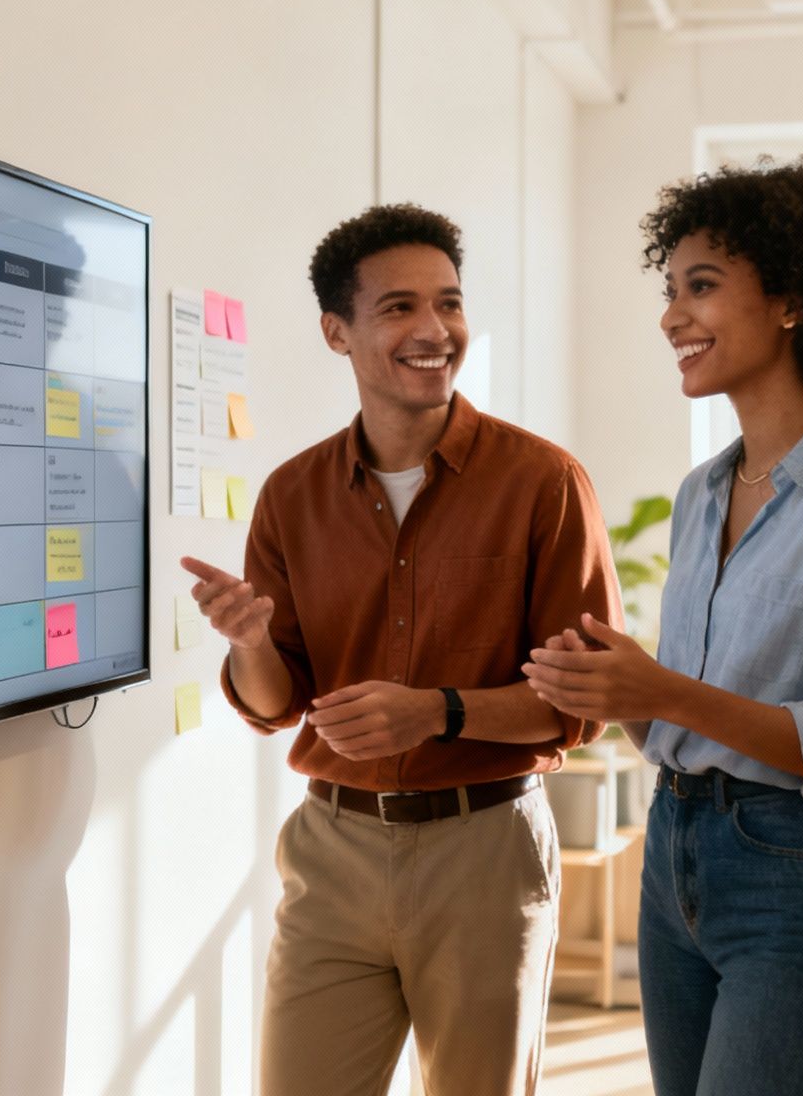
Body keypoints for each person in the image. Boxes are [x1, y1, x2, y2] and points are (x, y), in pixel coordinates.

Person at [182, 203, 620, 1096]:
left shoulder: (544, 483)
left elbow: (585, 700)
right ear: (336, 332)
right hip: (331, 850)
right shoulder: (291, 495)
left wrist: (437, 710)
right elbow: (274, 705)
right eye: (399, 309)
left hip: (485, 848)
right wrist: (253, 643)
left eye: (449, 304)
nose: (435, 331)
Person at [522, 160, 803, 1095]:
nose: (673, 316)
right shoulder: (701, 493)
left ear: (791, 301)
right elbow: (681, 724)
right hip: (675, 858)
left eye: (701, 287)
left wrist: (663, 690)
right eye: (670, 291)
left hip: (802, 877)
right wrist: (619, 689)